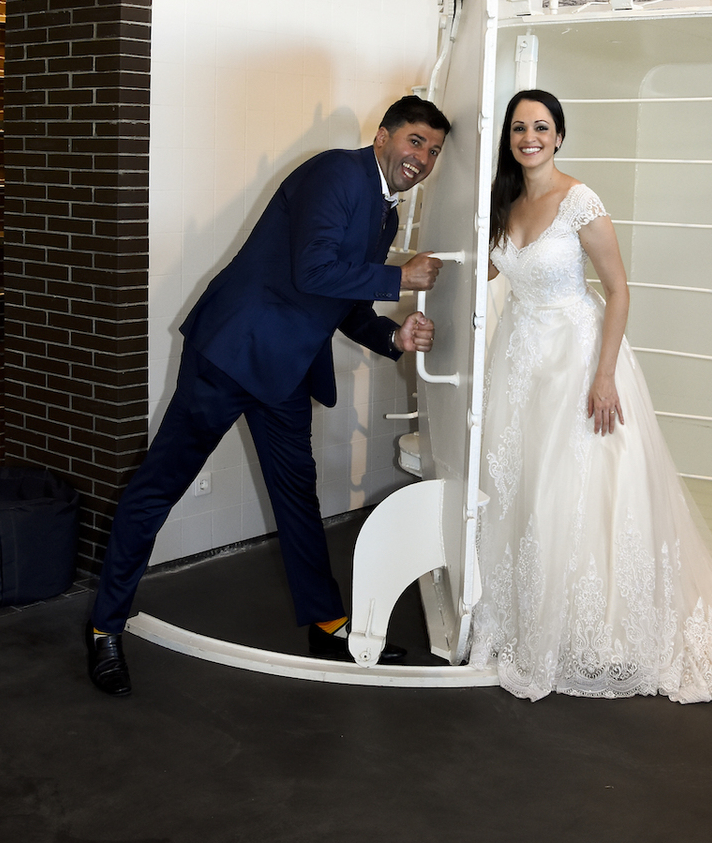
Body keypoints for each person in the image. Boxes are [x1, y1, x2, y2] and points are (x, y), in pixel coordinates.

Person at [85, 97, 451, 696]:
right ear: (383, 137)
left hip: (284, 370)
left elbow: (343, 302)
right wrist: (400, 276)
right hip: (230, 354)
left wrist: (393, 336)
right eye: (415, 141)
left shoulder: (384, 214)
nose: (423, 158)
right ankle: (105, 627)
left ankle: (328, 626)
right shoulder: (335, 172)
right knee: (158, 487)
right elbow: (314, 271)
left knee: (297, 497)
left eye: (433, 150)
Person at [470, 90, 712, 703]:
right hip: (519, 359)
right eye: (519, 128)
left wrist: (604, 376)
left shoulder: (579, 201)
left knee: (570, 487)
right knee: (519, 483)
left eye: (541, 127)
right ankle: (527, 616)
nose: (530, 138)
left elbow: (619, 290)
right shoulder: (503, 202)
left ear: (559, 136)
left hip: (577, 357)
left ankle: (591, 630)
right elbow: (489, 271)